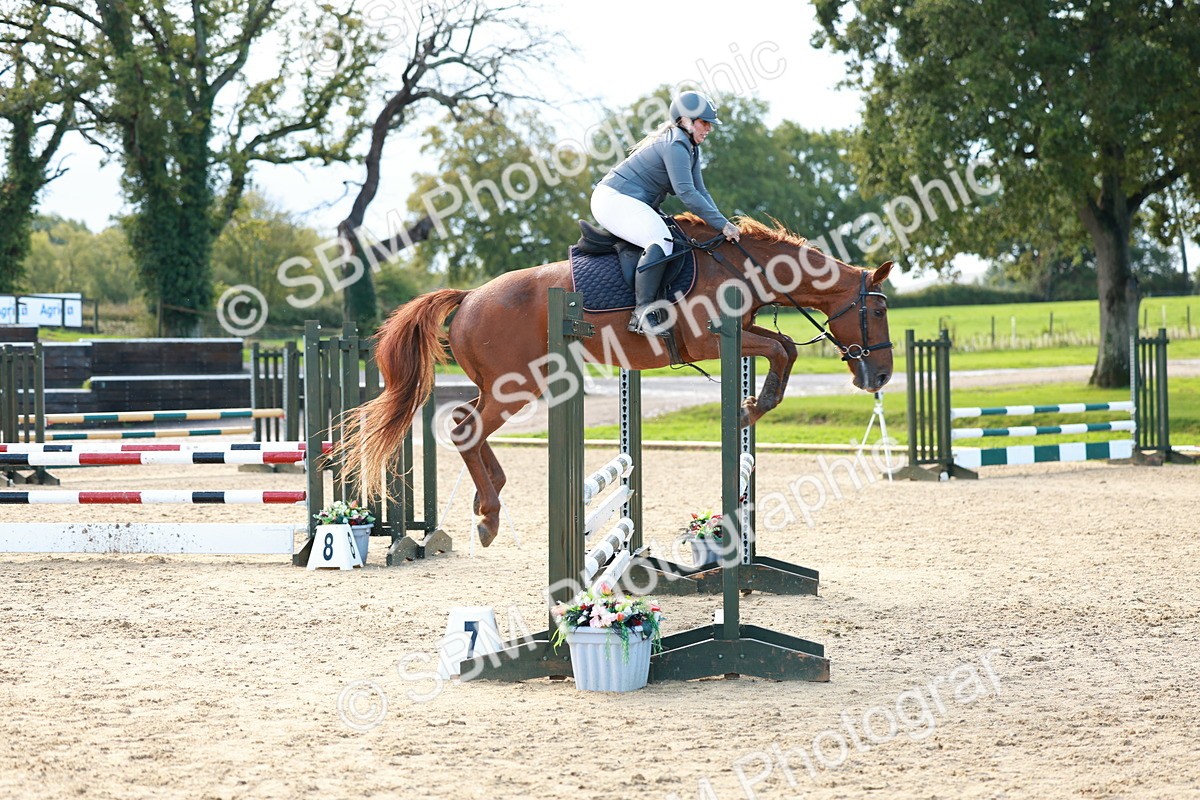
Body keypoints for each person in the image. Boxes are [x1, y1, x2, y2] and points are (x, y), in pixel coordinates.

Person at [591, 90, 740, 335]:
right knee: (661, 239)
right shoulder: (676, 145)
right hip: (613, 200)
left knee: (677, 236)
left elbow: (701, 191)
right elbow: (687, 194)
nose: (709, 129)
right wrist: (722, 225)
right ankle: (641, 313)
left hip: (631, 200)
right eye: (704, 123)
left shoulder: (690, 147)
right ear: (686, 120)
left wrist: (722, 222)